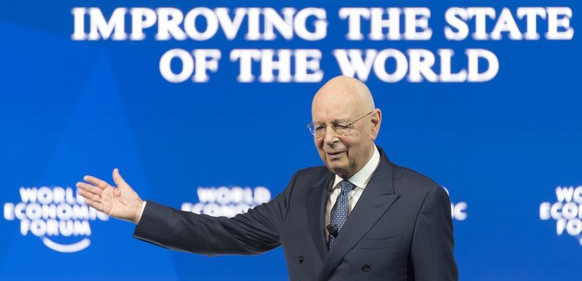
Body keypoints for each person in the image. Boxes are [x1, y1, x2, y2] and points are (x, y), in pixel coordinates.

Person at [77, 76, 458, 280]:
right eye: (319, 127)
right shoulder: (302, 188)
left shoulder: (418, 198)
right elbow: (226, 234)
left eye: (342, 126)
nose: (329, 139)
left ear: (374, 123)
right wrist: (142, 212)